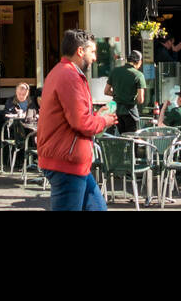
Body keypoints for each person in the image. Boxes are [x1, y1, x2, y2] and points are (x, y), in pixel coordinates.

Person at [37, 29, 117, 211]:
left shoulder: (60, 72)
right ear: (80, 51)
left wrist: (97, 116)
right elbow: (81, 123)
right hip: (67, 161)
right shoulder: (69, 75)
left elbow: (75, 119)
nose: (95, 58)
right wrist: (104, 121)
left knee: (98, 208)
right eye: (93, 52)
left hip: (70, 160)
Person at [104, 50, 146, 134]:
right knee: (134, 140)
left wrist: (118, 94)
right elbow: (140, 100)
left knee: (123, 138)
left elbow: (106, 91)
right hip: (131, 112)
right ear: (139, 62)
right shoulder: (138, 75)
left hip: (118, 111)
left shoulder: (115, 71)